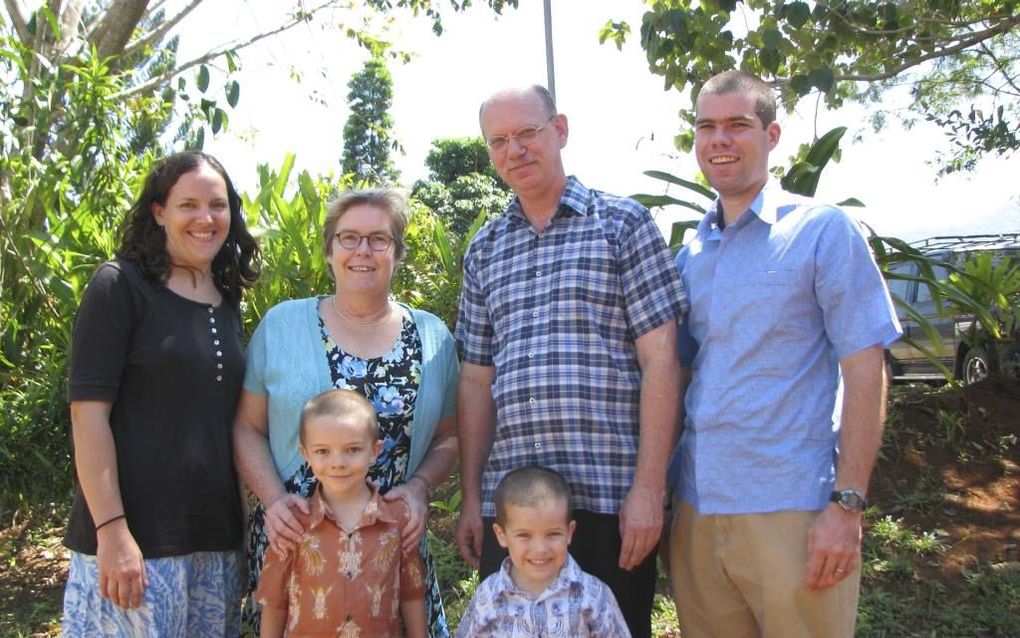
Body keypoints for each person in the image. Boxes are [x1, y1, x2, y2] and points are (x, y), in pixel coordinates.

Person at [667, 70, 902, 637]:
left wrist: (847, 508)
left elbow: (866, 367)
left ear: (771, 136)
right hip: (697, 512)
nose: (719, 139)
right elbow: (678, 376)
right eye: (707, 126)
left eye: (737, 125)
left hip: (792, 511)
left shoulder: (823, 232)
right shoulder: (690, 254)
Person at [455, 85, 687, 638]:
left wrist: (649, 490)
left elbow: (663, 361)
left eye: (528, 133)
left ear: (559, 130)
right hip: (513, 514)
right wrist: (471, 498)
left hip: (609, 501)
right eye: (499, 140)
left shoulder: (623, 226)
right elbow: (475, 379)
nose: (515, 150)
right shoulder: (485, 249)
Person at [234, 188, 459, 636]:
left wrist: (418, 488)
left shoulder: (433, 337)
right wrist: (275, 501)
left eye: (379, 239)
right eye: (349, 237)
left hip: (391, 552)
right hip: (295, 543)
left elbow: (449, 438)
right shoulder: (281, 326)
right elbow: (246, 428)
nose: (363, 250)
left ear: (397, 253)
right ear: (330, 248)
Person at [61, 151, 261, 636]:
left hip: (214, 543)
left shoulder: (227, 300)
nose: (205, 218)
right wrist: (112, 531)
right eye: (187, 204)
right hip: (135, 543)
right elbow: (88, 418)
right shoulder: (119, 286)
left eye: (218, 205)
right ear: (158, 212)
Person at [256, 389, 426, 638]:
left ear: (374, 451)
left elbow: (412, 596)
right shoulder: (293, 523)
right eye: (323, 451)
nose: (338, 462)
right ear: (306, 454)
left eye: (352, 449)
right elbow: (274, 604)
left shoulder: (398, 518)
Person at [456, 466, 631, 637]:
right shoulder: (488, 597)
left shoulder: (593, 595)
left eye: (553, 534)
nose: (540, 548)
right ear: (501, 535)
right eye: (524, 535)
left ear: (569, 533)